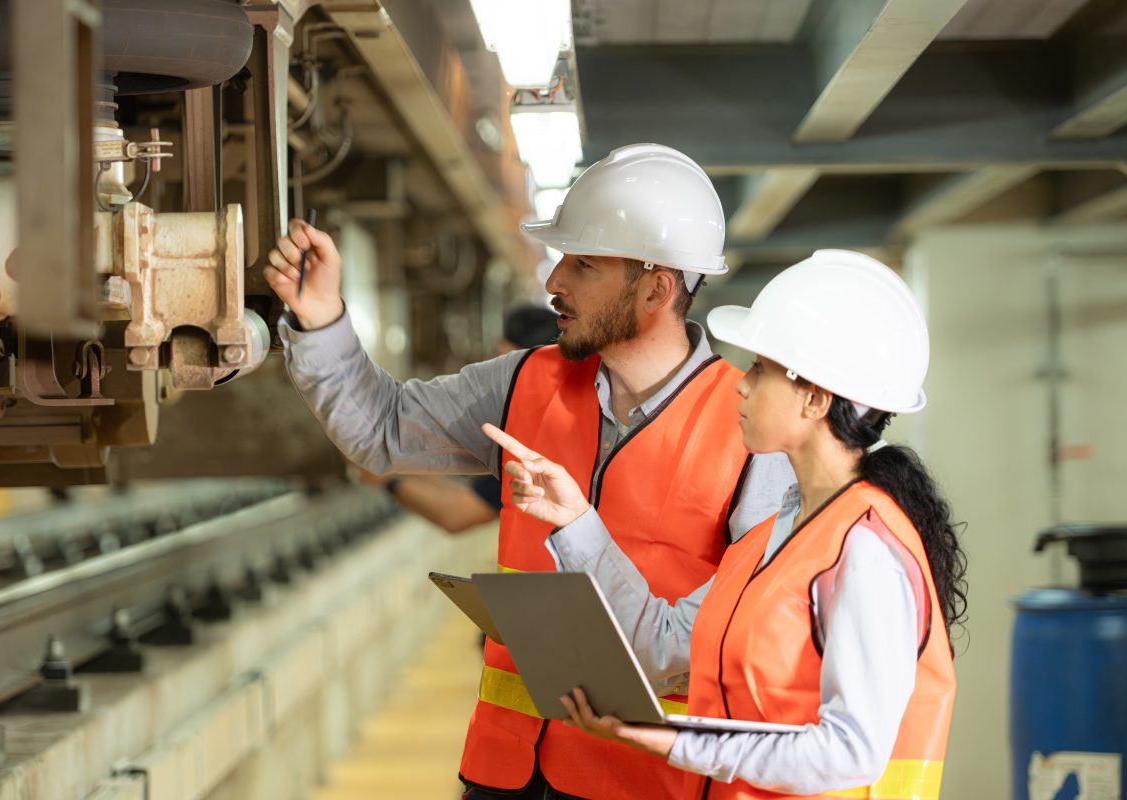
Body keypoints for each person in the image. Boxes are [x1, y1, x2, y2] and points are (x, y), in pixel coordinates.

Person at [262, 143, 796, 799]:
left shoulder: (754, 433)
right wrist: (320, 322)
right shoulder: (526, 382)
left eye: (583, 264)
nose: (553, 282)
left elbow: (731, 643)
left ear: (656, 287)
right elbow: (382, 429)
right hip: (506, 773)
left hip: (642, 785)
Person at [484, 249, 966, 799]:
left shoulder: (865, 551)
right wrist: (575, 520)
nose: (740, 384)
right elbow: (662, 642)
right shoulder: (781, 534)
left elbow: (850, 752)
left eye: (760, 370)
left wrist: (675, 740)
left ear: (814, 398)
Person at [357, 306, 560, 534]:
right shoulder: (544, 420)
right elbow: (471, 494)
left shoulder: (537, 436)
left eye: (498, 360)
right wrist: (392, 467)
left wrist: (387, 481)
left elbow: (459, 512)